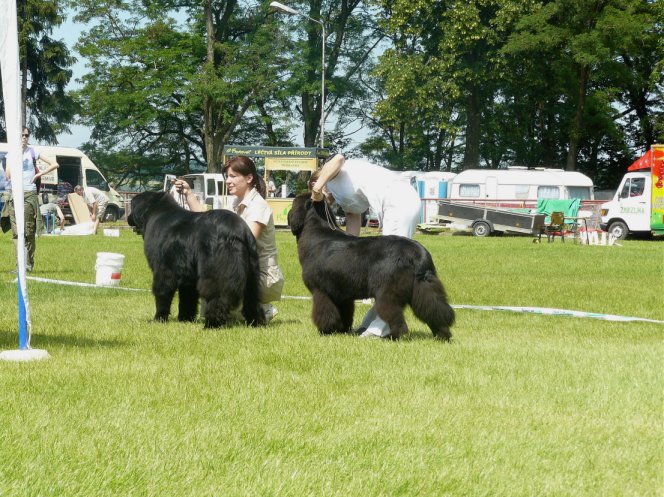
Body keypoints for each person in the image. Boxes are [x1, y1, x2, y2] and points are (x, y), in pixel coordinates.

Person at [310, 153, 421, 339]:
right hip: (393, 207)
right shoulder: (341, 195)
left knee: (390, 268)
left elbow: (338, 157)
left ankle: (385, 325)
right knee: (385, 269)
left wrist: (318, 188)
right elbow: (353, 221)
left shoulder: (334, 171)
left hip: (399, 200)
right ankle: (373, 321)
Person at [173, 157, 285, 322]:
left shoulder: (258, 206)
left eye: (233, 176)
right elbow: (206, 219)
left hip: (260, 276)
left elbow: (245, 242)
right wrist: (189, 193)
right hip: (239, 267)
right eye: (227, 176)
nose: (228, 181)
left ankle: (262, 308)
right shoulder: (233, 204)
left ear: (249, 178)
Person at [2, 127, 59, 271]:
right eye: (22, 135)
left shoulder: (33, 151)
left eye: (27, 135)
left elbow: (55, 164)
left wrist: (39, 175)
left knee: (27, 230)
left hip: (29, 193)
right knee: (16, 232)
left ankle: (28, 264)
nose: (24, 138)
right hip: (14, 194)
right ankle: (20, 265)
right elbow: (8, 175)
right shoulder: (11, 154)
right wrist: (15, 156)